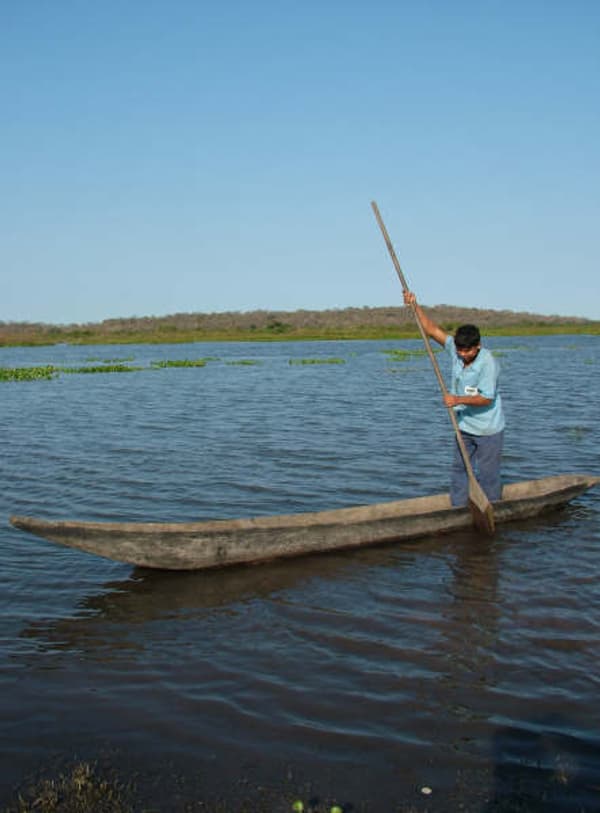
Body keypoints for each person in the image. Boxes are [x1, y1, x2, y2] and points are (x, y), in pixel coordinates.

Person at [403, 290, 505, 507]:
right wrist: (415, 305)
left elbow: (486, 399)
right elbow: (431, 329)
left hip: (488, 429)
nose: (462, 354)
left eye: (467, 351)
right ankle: (458, 507)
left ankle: (493, 507)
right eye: (459, 350)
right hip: (464, 426)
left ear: (477, 346)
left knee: (488, 473)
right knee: (459, 468)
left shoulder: (488, 363)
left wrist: (457, 399)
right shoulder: (456, 351)